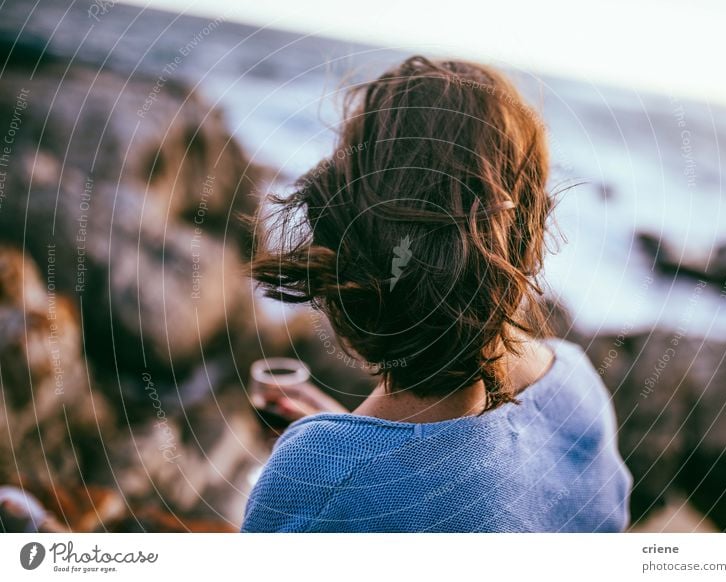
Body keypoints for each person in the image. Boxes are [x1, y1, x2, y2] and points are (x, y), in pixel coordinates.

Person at [243, 55, 631, 532]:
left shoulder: (315, 479)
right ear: (528, 230)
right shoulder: (578, 386)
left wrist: (337, 456)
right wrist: (349, 438)